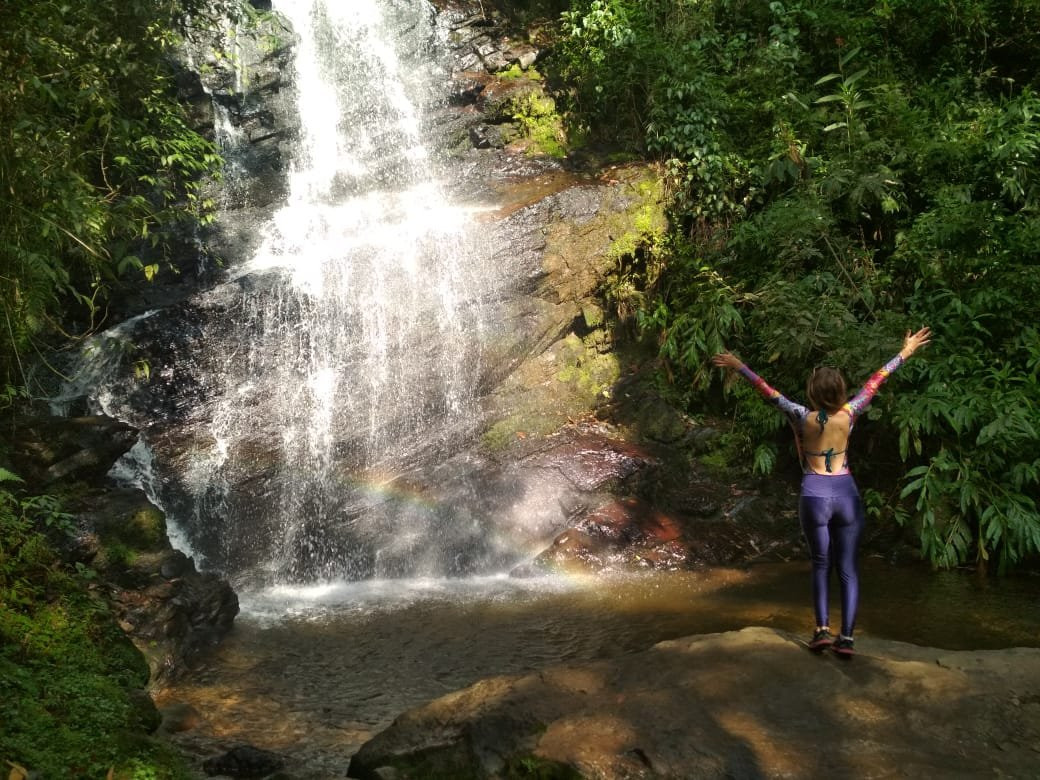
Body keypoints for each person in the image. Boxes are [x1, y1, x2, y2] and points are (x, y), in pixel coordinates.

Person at [711, 327, 931, 656]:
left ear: (812, 393)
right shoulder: (850, 413)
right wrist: (906, 352)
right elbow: (876, 380)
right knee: (847, 568)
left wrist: (738, 365)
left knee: (820, 563)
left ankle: (821, 630)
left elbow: (767, 391)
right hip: (846, 494)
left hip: (814, 494)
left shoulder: (801, 416)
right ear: (841, 390)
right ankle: (847, 638)